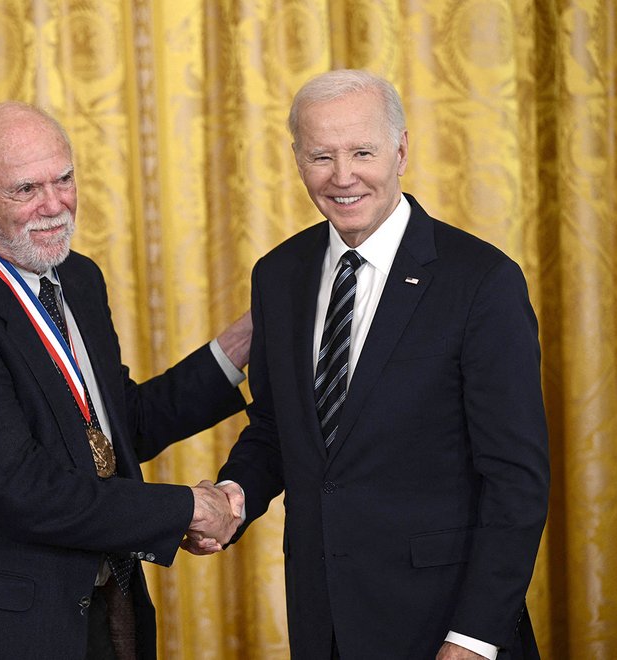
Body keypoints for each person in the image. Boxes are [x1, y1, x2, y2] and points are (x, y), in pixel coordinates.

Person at [202, 70, 550, 659]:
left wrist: (473, 638)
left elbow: (516, 480)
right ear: (297, 160)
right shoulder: (278, 275)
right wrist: (233, 496)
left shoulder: (481, 280)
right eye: (321, 156)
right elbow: (277, 429)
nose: (343, 177)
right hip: (324, 623)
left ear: (401, 151)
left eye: (362, 152)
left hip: (444, 626)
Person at [0, 101, 251, 659]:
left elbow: (115, 428)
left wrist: (239, 345)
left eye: (64, 179)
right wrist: (186, 509)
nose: (54, 205)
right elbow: (22, 488)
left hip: (98, 606)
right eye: (26, 189)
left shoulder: (77, 278)